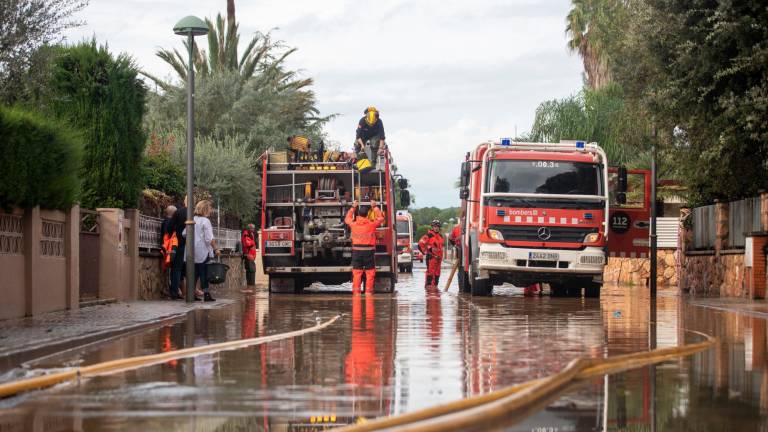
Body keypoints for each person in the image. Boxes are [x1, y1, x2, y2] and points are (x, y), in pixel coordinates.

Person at [345, 199, 384, 293]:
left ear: (358, 214)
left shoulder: (353, 224)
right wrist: (374, 207)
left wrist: (353, 207)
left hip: (357, 252)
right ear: (367, 215)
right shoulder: (371, 224)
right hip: (369, 252)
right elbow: (381, 218)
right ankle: (368, 293)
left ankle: (356, 293)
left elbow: (347, 219)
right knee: (370, 273)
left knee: (357, 273)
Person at [186, 200, 220, 302]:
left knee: (194, 273)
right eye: (209, 208)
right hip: (203, 250)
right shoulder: (205, 221)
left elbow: (184, 233)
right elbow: (209, 238)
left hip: (192, 250)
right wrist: (216, 248)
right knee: (204, 273)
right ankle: (206, 294)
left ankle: (191, 294)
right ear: (205, 209)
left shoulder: (192, 219)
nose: (210, 210)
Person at [169, 198, 188, 299]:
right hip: (193, 246)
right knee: (192, 270)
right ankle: (191, 292)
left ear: (185, 201)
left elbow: (170, 227)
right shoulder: (195, 214)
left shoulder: (178, 212)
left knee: (176, 268)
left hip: (179, 243)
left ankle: (174, 292)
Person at [419, 220, 445, 287]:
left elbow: (441, 247)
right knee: (430, 273)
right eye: (434, 226)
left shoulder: (441, 236)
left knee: (437, 274)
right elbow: (420, 244)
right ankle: (428, 287)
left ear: (439, 227)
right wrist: (426, 252)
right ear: (432, 227)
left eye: (437, 226)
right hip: (431, 258)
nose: (436, 228)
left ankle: (435, 288)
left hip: (439, 259)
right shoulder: (429, 235)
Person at [160, 205, 179, 298]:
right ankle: (173, 291)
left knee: (171, 270)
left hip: (167, 249)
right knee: (173, 270)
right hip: (169, 249)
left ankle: (173, 290)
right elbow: (169, 236)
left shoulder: (165, 222)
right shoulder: (170, 222)